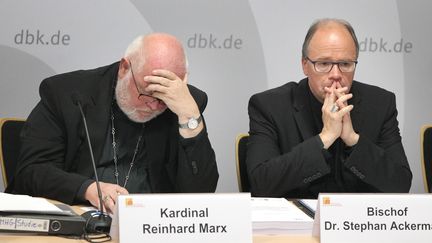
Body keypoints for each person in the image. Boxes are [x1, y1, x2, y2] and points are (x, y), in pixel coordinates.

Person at [8, 33, 219, 213]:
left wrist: (190, 116)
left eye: (164, 99)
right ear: (125, 68)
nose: (155, 106)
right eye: (147, 94)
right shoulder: (67, 94)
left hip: (152, 228)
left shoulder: (184, 104)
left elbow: (202, 192)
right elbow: (31, 171)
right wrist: (87, 188)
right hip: (77, 220)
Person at [246, 18, 412, 199]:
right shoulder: (269, 106)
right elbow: (260, 184)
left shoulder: (380, 104)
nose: (336, 75)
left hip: (358, 223)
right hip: (296, 224)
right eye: (323, 64)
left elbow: (401, 184)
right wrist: (325, 138)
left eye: (345, 64)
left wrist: (353, 140)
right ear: (305, 65)